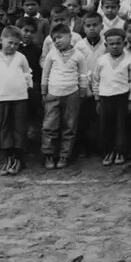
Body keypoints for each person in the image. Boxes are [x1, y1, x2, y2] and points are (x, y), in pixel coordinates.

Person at [40, 23, 91, 169]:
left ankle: (64, 155)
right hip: (53, 94)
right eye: (54, 39)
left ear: (70, 36)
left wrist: (82, 92)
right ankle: (49, 155)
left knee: (69, 125)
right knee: (49, 125)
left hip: (72, 95)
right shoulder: (51, 54)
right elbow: (45, 74)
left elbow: (83, 75)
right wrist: (44, 92)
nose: (57, 41)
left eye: (60, 37)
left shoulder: (78, 55)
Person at [0, 26, 33, 176]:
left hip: (20, 98)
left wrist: (23, 90)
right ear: (1, 40)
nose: (13, 46)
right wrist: (0, 94)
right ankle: (8, 157)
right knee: (5, 127)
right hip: (3, 99)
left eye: (16, 44)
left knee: (19, 127)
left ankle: (19, 158)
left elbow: (27, 76)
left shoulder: (21, 57)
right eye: (10, 42)